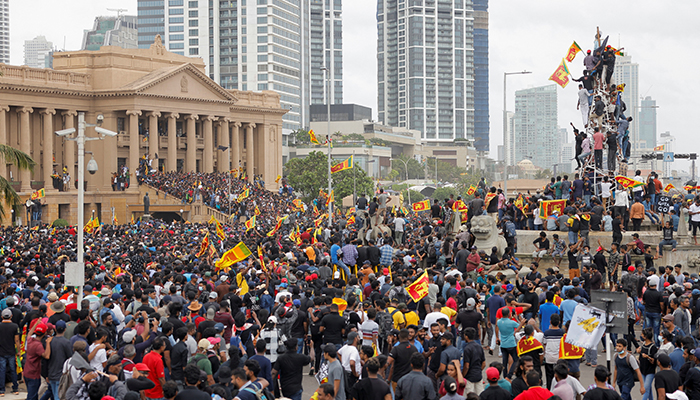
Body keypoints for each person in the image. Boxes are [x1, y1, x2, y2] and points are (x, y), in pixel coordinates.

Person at [0, 308, 19, 396]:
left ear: (2, 316)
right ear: (11, 316)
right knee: (13, 370)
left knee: (2, 370)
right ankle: (15, 388)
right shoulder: (15, 326)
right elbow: (17, 340)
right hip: (11, 351)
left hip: (1, 352)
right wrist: (18, 351)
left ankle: (2, 390)